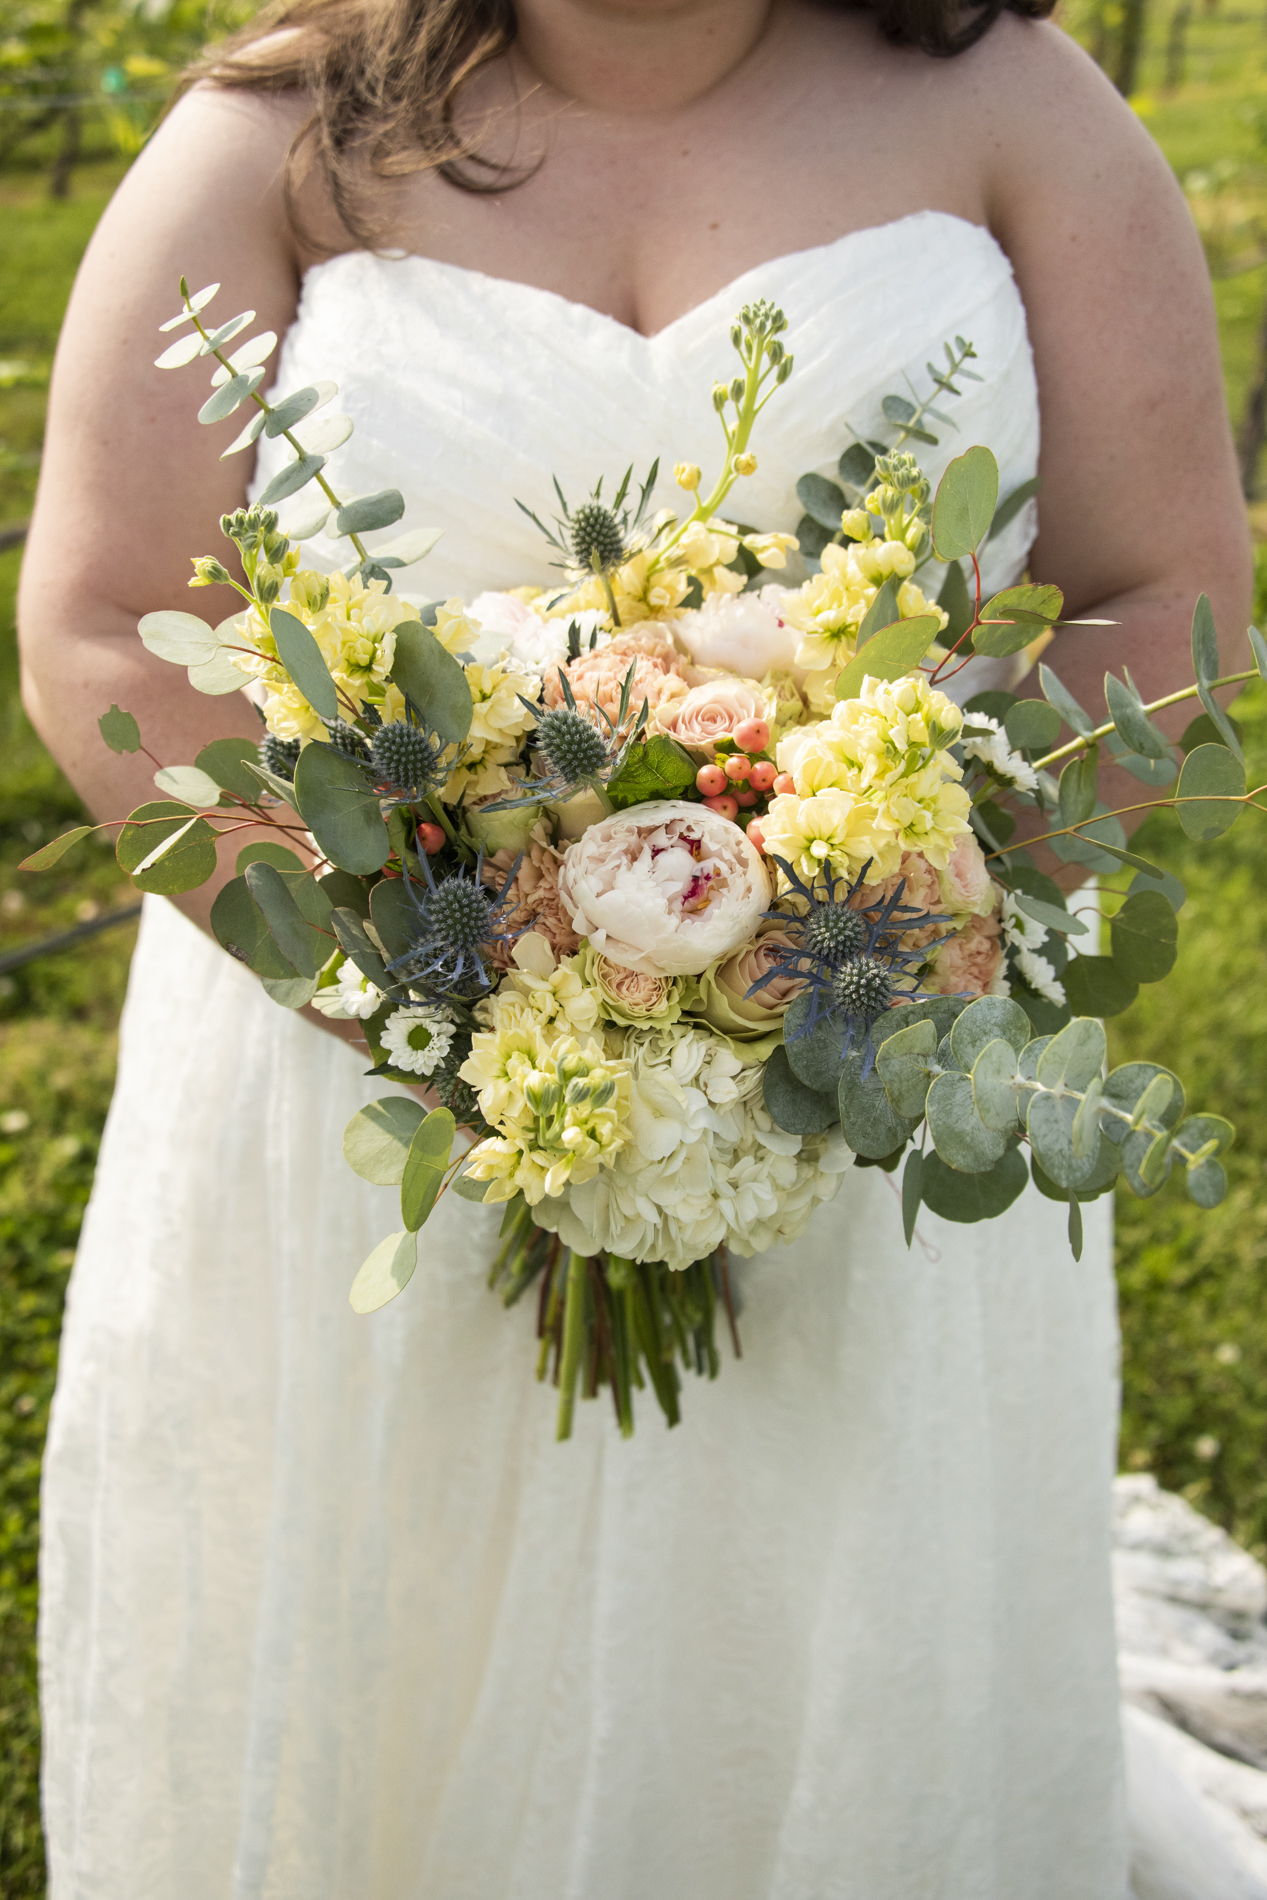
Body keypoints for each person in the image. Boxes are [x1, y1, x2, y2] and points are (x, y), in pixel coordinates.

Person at [19, 1, 1253, 1895]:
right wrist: (454, 988)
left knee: (822, 1629)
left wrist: (888, 897)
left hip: (876, 1079)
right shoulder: (278, 129)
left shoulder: (1014, 102)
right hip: (357, 1098)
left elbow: (1171, 596)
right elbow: (104, 622)